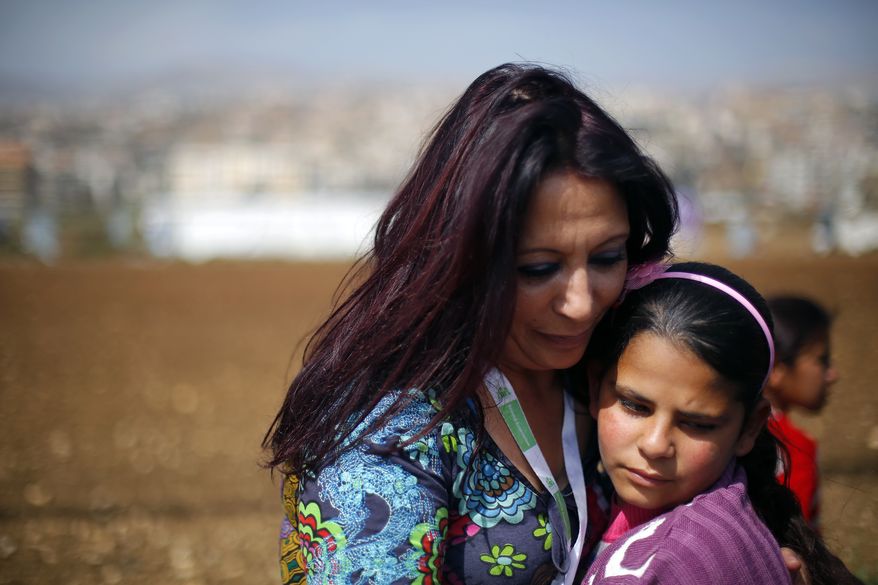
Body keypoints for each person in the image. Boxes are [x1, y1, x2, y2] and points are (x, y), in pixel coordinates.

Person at [264, 62, 678, 584]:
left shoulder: (615, 369)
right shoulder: (388, 432)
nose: (580, 304)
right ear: (458, 259)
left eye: (607, 257)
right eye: (537, 269)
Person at [582, 262, 858, 585]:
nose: (655, 445)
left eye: (697, 424)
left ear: (750, 427)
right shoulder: (584, 497)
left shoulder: (691, 562)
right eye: (634, 406)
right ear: (595, 387)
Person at [765, 296, 838, 530]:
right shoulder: (794, 450)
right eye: (822, 360)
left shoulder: (726, 433)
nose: (832, 374)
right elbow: (796, 542)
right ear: (776, 370)